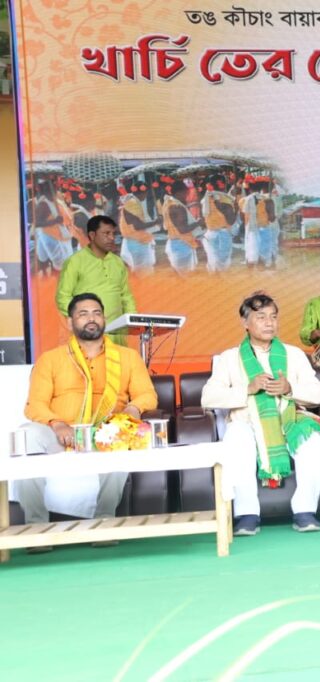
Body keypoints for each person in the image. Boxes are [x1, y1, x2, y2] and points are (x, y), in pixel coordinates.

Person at [18, 293, 157, 551]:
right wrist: (56, 423)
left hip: (105, 430)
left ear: (104, 319)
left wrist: (133, 408)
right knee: (27, 435)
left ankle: (104, 524)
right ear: (70, 322)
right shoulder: (51, 359)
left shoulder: (127, 357)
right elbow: (34, 405)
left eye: (96, 313)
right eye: (83, 314)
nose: (91, 319)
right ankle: (36, 530)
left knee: (122, 439)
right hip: (61, 432)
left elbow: (147, 394)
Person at [202, 292, 320, 535]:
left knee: (312, 439)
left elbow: (317, 393)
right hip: (247, 423)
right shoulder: (229, 358)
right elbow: (208, 397)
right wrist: (248, 389)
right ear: (245, 323)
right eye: (261, 317)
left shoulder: (294, 354)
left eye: (273, 317)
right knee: (237, 436)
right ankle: (247, 515)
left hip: (290, 421)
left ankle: (305, 511)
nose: (269, 323)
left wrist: (289, 388)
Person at [56, 215, 138, 345]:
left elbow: (126, 296)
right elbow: (63, 297)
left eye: (113, 233)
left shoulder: (118, 263)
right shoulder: (75, 262)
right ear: (92, 235)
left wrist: (132, 320)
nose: (112, 238)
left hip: (116, 335)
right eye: (106, 233)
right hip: (87, 335)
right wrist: (85, 319)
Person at [31, 178, 73, 273]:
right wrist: (54, 221)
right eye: (49, 190)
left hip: (62, 237)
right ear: (44, 192)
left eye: (53, 189)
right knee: (59, 266)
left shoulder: (57, 200)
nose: (52, 192)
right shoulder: (43, 205)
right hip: (52, 238)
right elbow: (36, 223)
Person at [118, 180, 160, 271]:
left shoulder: (133, 201)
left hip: (135, 240)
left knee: (142, 271)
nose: (146, 195)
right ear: (144, 192)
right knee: (143, 272)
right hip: (136, 242)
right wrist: (156, 222)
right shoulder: (133, 203)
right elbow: (138, 226)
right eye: (146, 193)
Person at [199, 175, 238, 272]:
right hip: (223, 235)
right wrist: (236, 210)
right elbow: (231, 221)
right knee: (223, 263)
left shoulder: (205, 199)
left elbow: (203, 219)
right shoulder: (226, 200)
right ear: (222, 184)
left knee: (212, 261)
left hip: (209, 233)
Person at [161, 180, 200, 273]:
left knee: (180, 276)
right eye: (185, 193)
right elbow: (183, 229)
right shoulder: (177, 207)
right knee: (185, 276)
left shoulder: (168, 202)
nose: (186, 196)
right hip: (181, 245)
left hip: (175, 243)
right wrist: (198, 223)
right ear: (179, 192)